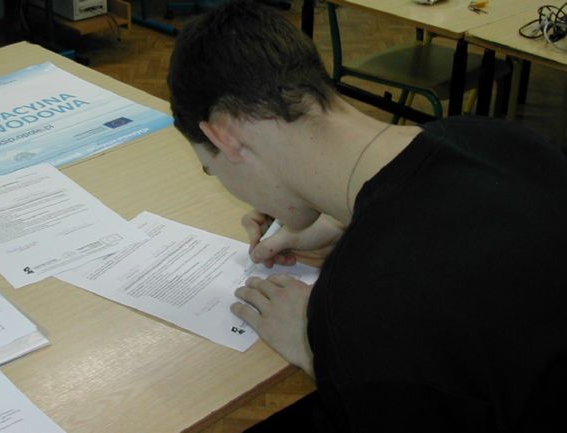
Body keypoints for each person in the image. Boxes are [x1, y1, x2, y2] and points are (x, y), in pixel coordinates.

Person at [167, 1, 567, 431]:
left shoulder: (363, 315)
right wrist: (353, 225)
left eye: (212, 168)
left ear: (225, 136)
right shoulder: (497, 138)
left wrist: (320, 353)